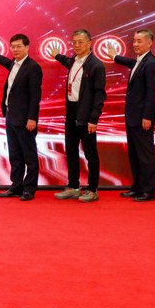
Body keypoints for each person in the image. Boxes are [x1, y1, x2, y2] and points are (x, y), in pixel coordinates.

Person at [48, 30, 106, 203]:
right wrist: (57, 55)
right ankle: (73, 186)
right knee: (71, 151)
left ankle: (92, 189)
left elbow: (99, 95)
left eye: (81, 42)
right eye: (74, 42)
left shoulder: (96, 65)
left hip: (86, 114)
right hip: (71, 112)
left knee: (90, 154)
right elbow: (66, 61)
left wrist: (94, 119)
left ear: (89, 43)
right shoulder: (74, 60)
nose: (77, 45)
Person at [0, 34, 43, 201]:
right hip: (11, 116)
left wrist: (32, 118)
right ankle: (16, 186)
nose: (15, 49)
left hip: (25, 119)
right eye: (13, 47)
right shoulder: (14, 64)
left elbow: (35, 95)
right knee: (15, 154)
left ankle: (29, 189)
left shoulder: (33, 67)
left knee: (29, 155)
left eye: (19, 46)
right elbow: (5, 62)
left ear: (27, 47)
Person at [107, 29, 155, 202]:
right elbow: (131, 63)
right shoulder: (140, 61)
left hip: (143, 118)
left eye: (139, 41)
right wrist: (115, 57)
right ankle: (137, 187)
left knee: (145, 155)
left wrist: (147, 116)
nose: (135, 44)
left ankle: (148, 191)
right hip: (133, 116)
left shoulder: (151, 63)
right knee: (135, 154)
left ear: (149, 43)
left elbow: (151, 93)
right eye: (134, 41)